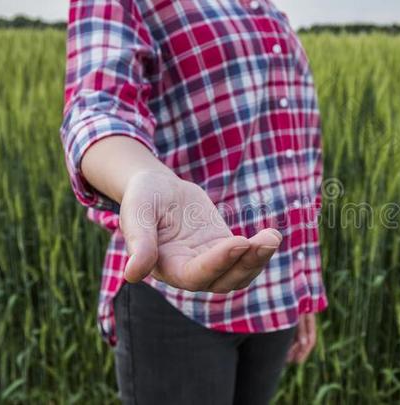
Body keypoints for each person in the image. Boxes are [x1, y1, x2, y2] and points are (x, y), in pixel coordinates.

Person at [59, 0, 327, 403]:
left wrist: (303, 283)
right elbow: (97, 107)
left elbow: (293, 156)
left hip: (274, 289)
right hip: (178, 297)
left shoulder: (260, 6)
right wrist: (142, 177)